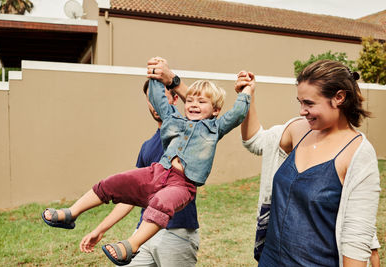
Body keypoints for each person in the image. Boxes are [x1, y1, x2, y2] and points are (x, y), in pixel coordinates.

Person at [42, 75, 251, 265]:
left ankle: (132, 244)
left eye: (201, 101)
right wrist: (154, 76)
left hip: (181, 193)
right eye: (191, 100)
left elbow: (238, 113)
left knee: (162, 202)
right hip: (157, 173)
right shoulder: (172, 123)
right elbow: (159, 99)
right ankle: (72, 213)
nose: (194, 104)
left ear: (215, 110)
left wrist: (246, 92)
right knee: (114, 182)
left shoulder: (215, 129)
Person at [235, 60, 380, 266]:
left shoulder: (358, 154)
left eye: (309, 103)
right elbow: (255, 141)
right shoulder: (299, 130)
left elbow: (356, 239)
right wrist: (247, 96)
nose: (302, 110)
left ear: (339, 97)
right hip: (270, 260)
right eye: (300, 102)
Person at [78, 80, 200, 266]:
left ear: (176, 99)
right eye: (151, 99)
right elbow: (130, 197)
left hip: (177, 232)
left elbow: (201, 111)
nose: (155, 104)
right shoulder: (147, 147)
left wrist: (170, 78)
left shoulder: (187, 133)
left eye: (160, 98)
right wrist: (101, 229)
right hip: (143, 234)